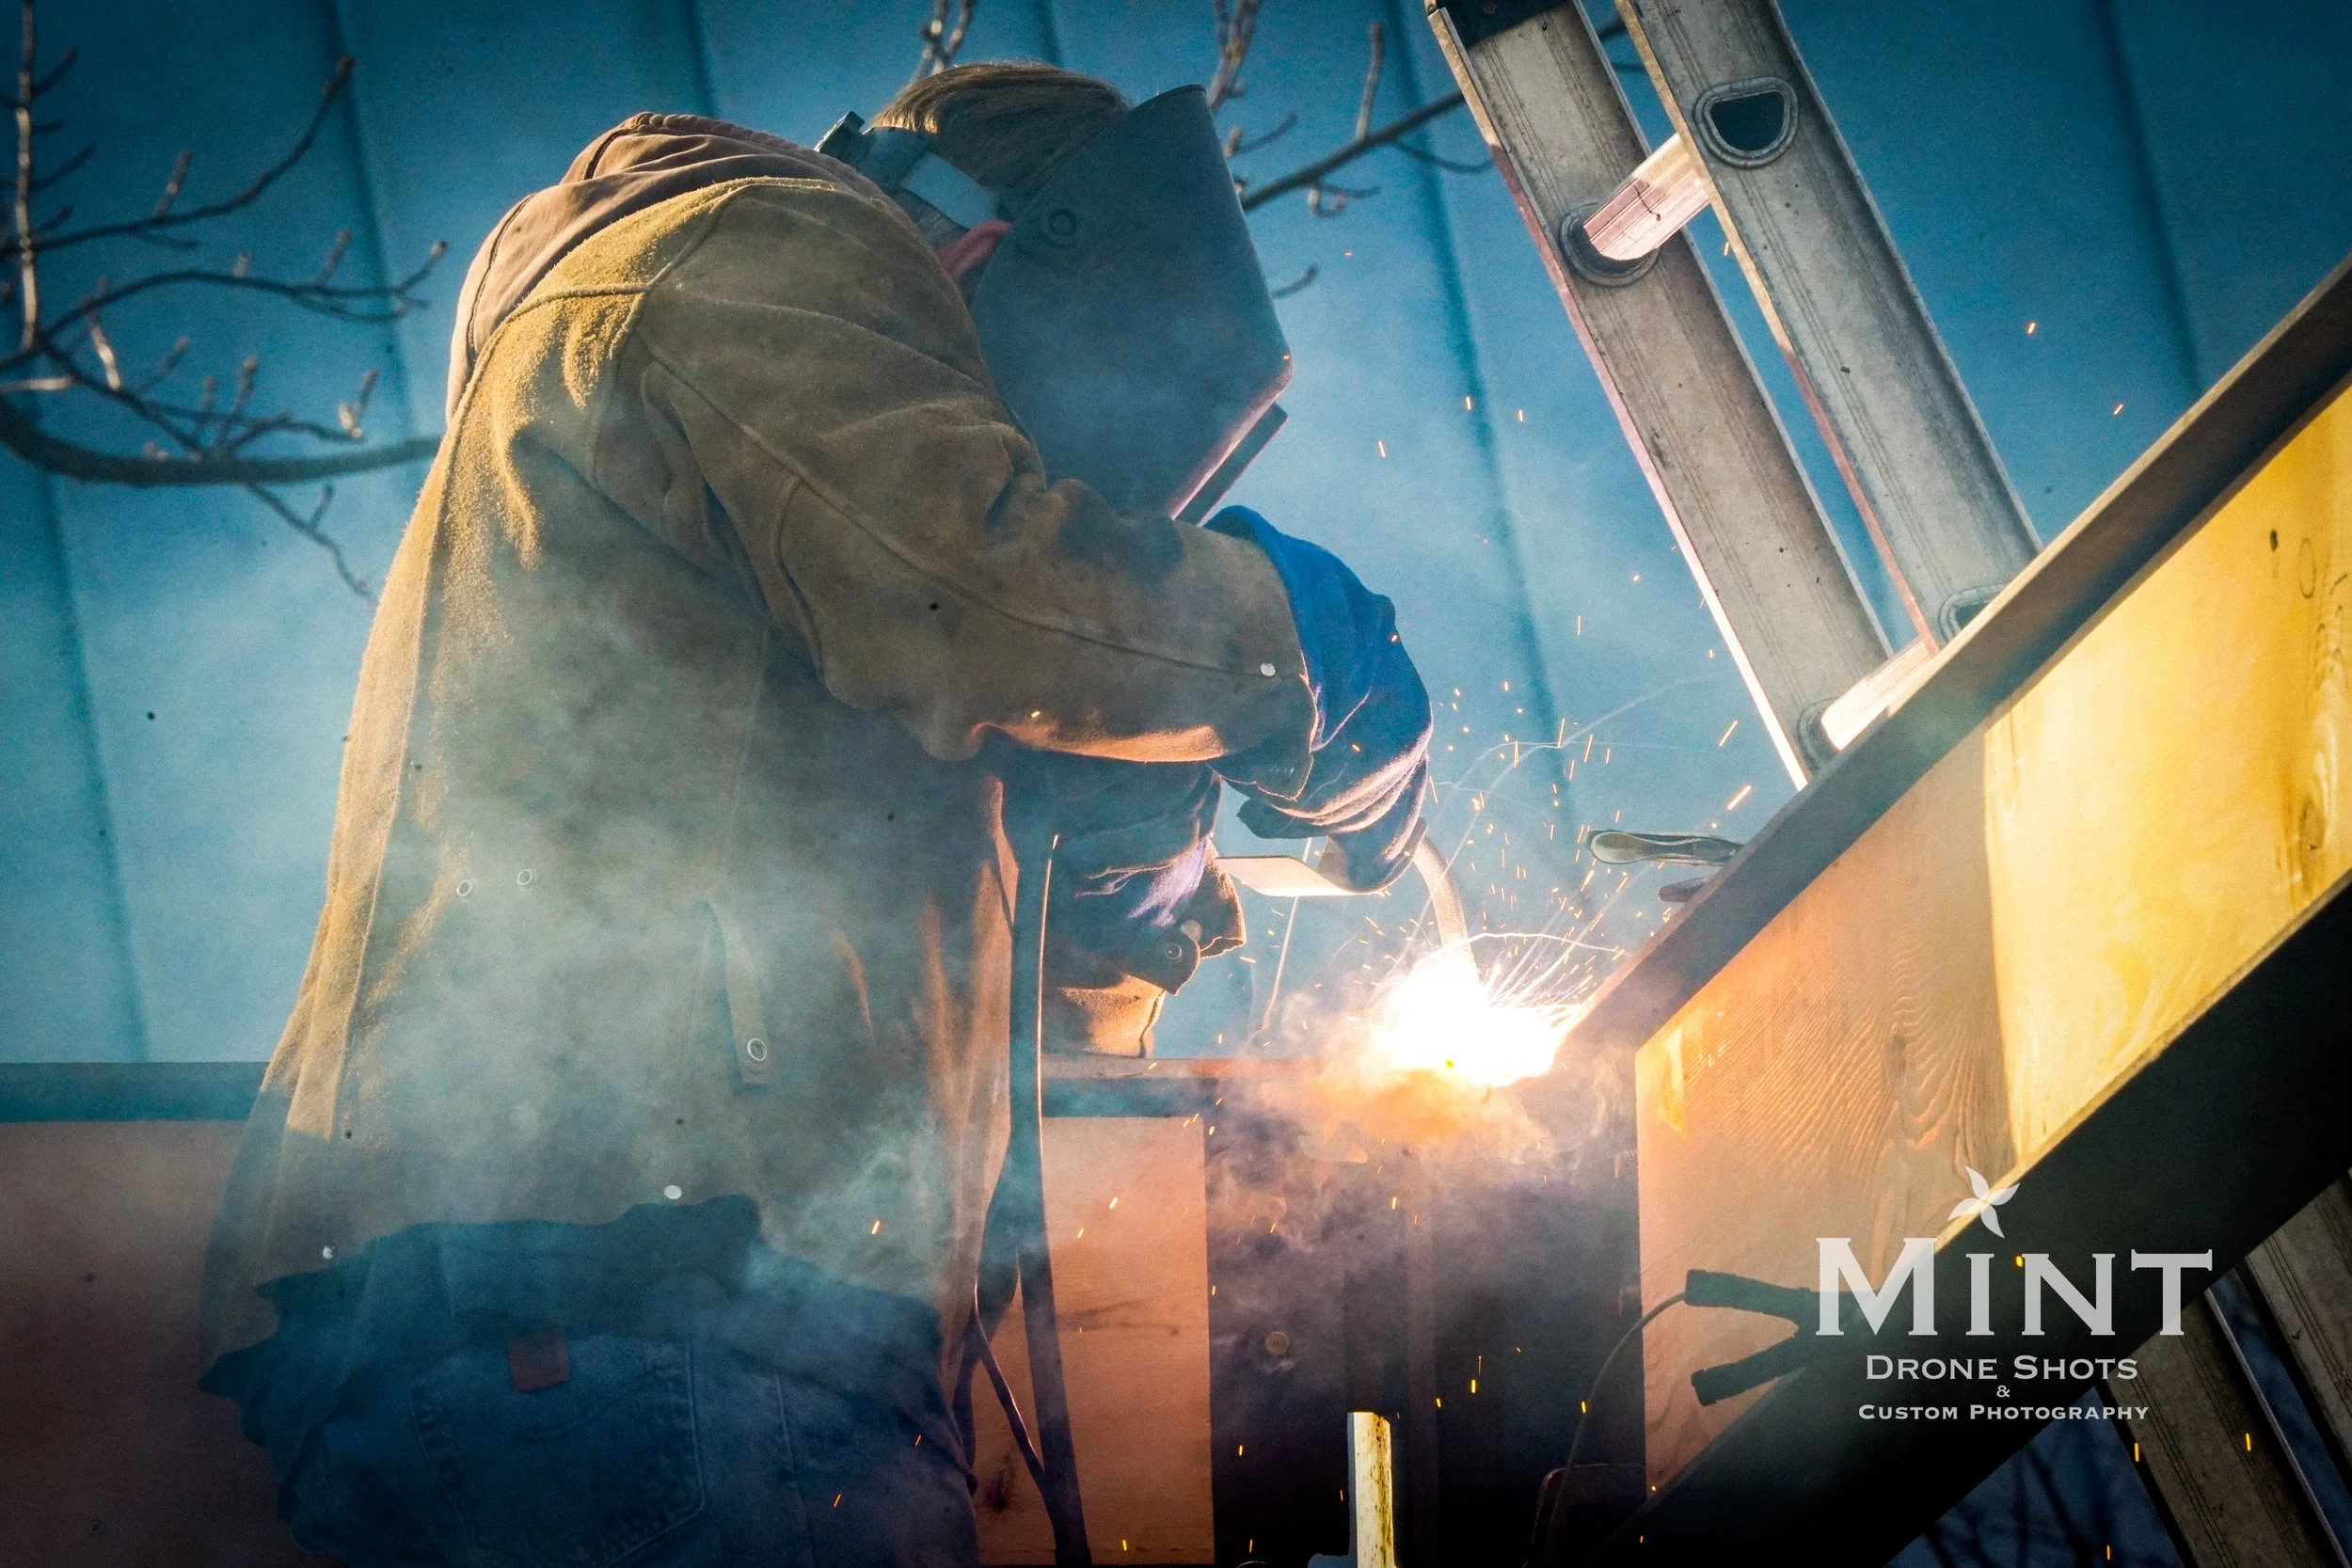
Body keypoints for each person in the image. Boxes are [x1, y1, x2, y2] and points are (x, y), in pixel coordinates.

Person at [199, 61, 1430, 1568]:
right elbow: (980, 597)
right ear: (977, 255)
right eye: (1039, 463)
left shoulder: (747, 560)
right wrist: (1296, 655)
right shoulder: (771, 246)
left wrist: (1124, 893)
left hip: (599, 1342)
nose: (1047, 495)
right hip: (649, 1326)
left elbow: (1011, 1074)